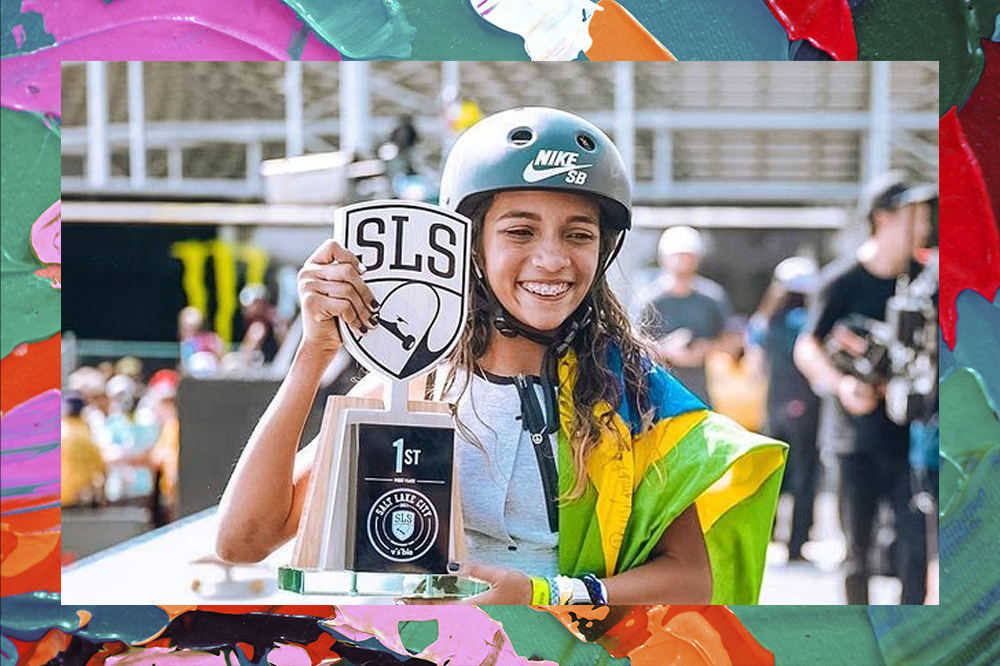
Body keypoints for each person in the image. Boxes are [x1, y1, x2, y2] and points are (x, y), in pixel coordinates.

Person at [216, 107, 786, 605]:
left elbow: (691, 579)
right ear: (469, 243)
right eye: (520, 231)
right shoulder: (407, 390)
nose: (553, 259)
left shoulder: (633, 395)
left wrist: (545, 596)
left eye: (578, 235)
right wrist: (312, 356)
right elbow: (244, 541)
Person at [794, 171, 936, 605]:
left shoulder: (925, 280)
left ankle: (913, 639)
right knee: (858, 550)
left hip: (908, 437)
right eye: (914, 212)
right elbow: (808, 347)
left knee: (914, 546)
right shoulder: (843, 280)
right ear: (883, 217)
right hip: (853, 440)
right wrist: (842, 385)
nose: (926, 222)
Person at [747, 256, 821, 563]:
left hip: (773, 405)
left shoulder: (762, 322)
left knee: (773, 474)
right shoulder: (808, 322)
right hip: (806, 405)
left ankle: (765, 538)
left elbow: (754, 369)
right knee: (805, 476)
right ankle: (796, 543)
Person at [639, 225, 735, 403]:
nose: (682, 261)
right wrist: (666, 350)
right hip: (658, 396)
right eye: (676, 255)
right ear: (663, 258)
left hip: (700, 394)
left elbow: (731, 343)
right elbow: (632, 345)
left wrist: (703, 349)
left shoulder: (712, 297)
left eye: (687, 255)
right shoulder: (649, 299)